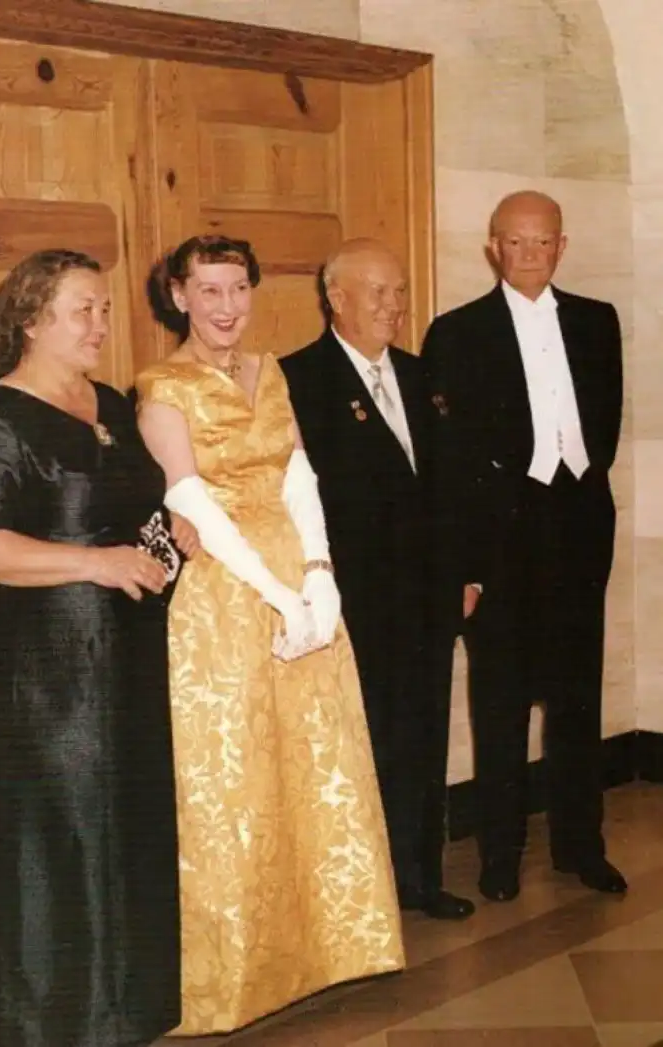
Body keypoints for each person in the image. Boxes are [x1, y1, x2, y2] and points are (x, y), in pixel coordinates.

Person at [135, 234, 404, 1036]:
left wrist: (319, 572)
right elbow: (193, 500)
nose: (227, 307)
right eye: (209, 291)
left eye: (238, 289)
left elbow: (298, 475)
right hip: (226, 592)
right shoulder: (160, 385)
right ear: (179, 296)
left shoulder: (271, 371)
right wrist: (278, 593)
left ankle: (328, 952)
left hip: (297, 579)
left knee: (316, 763)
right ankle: (238, 978)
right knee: (239, 779)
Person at [0, 248, 198, 1047]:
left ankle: (121, 1015)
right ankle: (46, 1024)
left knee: (123, 825)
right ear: (32, 320)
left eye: (103, 308)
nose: (101, 324)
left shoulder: (108, 401)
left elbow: (124, 502)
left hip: (125, 656)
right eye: (83, 310)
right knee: (60, 834)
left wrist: (167, 528)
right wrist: (93, 563)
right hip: (45, 670)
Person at [421, 190, 627, 902]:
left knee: (577, 699)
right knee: (500, 702)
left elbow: (605, 425)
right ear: (494, 248)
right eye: (516, 242)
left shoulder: (599, 321)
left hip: (578, 527)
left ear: (562, 247)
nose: (530, 254)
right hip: (502, 538)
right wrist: (467, 563)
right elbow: (449, 463)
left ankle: (581, 845)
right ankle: (501, 855)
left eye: (543, 242)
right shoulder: (457, 333)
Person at [280, 238, 477, 921]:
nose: (395, 306)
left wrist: (467, 575)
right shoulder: (298, 380)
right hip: (355, 602)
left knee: (423, 739)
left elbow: (454, 486)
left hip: (428, 599)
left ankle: (420, 878)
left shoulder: (423, 378)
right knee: (363, 744)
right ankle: (363, 895)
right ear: (336, 298)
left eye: (399, 292)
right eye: (378, 293)